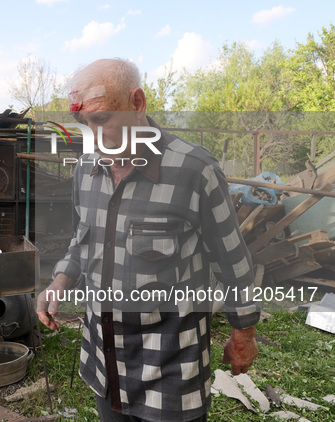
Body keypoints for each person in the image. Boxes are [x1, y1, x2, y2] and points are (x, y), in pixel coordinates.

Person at [36, 58, 259, 422]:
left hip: (171, 372)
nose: (92, 135)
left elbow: (231, 259)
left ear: (137, 103)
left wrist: (243, 333)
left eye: (102, 119)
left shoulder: (194, 171)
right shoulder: (86, 170)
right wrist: (59, 282)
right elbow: (83, 236)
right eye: (84, 123)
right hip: (104, 364)